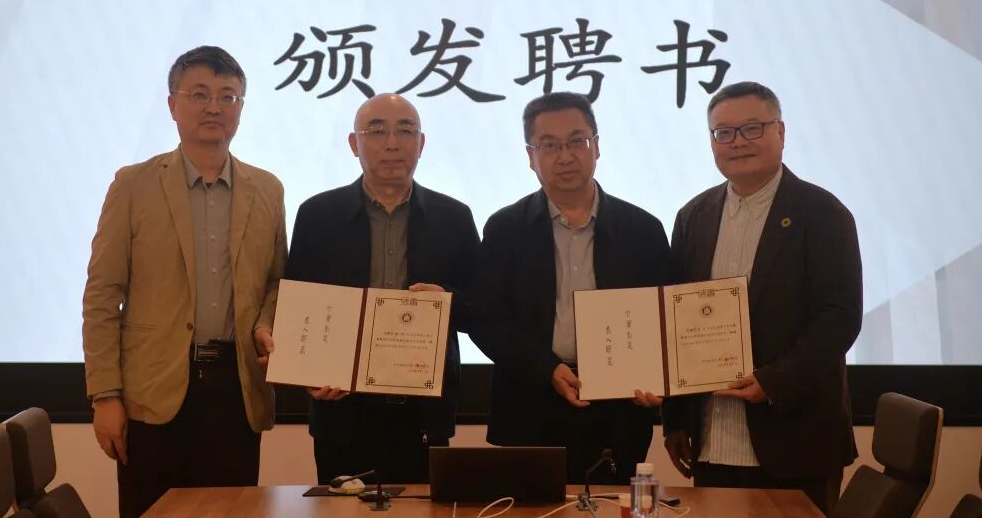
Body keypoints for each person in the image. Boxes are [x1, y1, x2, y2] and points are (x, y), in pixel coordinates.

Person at [82, 46, 286, 518]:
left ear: (240, 108)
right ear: (173, 105)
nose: (214, 107)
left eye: (228, 96)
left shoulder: (268, 189)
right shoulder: (132, 185)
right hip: (151, 394)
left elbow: (276, 283)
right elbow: (102, 296)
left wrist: (264, 324)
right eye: (199, 94)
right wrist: (105, 395)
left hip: (236, 392)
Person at [650, 81, 862, 516]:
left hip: (796, 437)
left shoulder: (823, 213)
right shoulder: (693, 216)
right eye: (723, 133)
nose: (738, 142)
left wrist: (773, 382)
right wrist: (675, 419)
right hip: (712, 438)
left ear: (780, 132)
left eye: (752, 128)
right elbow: (676, 321)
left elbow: (839, 318)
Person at [468, 91, 670, 484]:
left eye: (577, 141)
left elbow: (663, 319)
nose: (565, 156)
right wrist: (547, 368)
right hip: (529, 403)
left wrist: (657, 378)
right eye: (550, 145)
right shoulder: (505, 228)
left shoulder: (642, 229)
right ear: (531, 157)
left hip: (618, 409)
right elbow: (487, 319)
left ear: (597, 146)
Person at [284, 93, 479, 484]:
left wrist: (448, 303)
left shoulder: (453, 217)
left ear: (421, 143)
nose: (392, 143)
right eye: (376, 131)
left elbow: (484, 308)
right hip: (341, 411)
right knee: (341, 511)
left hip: (423, 413)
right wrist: (307, 372)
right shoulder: (317, 215)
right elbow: (295, 307)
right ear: (354, 144)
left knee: (425, 511)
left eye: (405, 131)